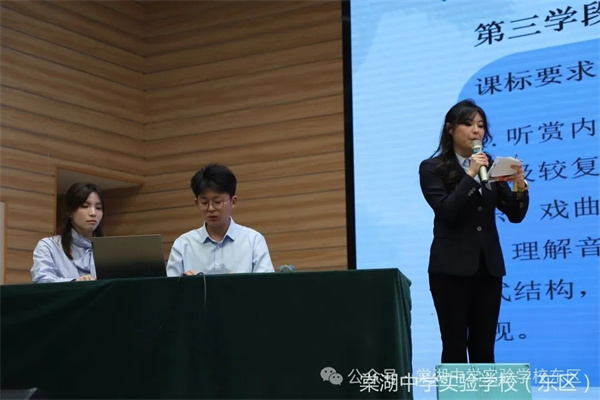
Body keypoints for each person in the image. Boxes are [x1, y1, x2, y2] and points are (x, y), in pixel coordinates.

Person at [419, 99, 529, 363]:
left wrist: (519, 185)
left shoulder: (489, 166)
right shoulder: (432, 168)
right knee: (454, 346)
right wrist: (470, 175)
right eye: (468, 124)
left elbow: (515, 215)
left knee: (484, 347)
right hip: (450, 269)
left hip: (488, 268)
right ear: (450, 129)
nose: (476, 130)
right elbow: (446, 210)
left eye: (480, 125)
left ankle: (485, 388)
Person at [166, 163, 274, 276]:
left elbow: (267, 285)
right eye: (204, 202)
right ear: (197, 203)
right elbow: (169, 286)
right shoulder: (183, 244)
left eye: (217, 202)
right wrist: (186, 285)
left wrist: (240, 284)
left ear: (233, 202)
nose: (210, 208)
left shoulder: (253, 241)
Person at [31, 183, 104, 283]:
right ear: (69, 211)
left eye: (98, 208)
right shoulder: (49, 246)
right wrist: (74, 282)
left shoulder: (110, 250)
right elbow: (42, 280)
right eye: (85, 206)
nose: (93, 213)